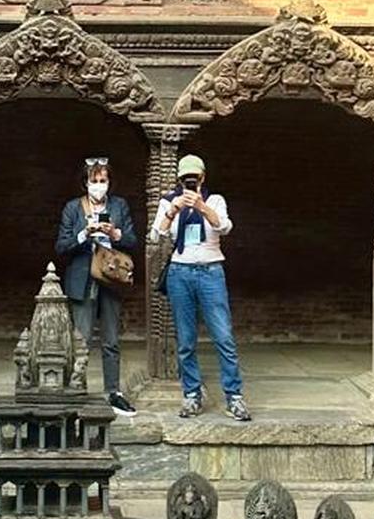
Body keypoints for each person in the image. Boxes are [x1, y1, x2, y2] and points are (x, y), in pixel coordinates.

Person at [150, 153, 250, 422]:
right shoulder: (168, 201)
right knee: (185, 339)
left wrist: (202, 206)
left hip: (210, 272)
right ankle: (191, 394)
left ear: (203, 177)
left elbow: (225, 226)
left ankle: (234, 396)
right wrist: (174, 210)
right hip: (180, 273)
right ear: (179, 180)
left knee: (223, 336)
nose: (189, 183)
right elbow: (155, 235)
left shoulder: (215, 200)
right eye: (185, 179)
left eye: (194, 178)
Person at [55, 158, 138, 416]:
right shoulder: (73, 208)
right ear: (86, 182)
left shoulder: (119, 205)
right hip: (83, 277)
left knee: (111, 339)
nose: (99, 186)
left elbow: (133, 240)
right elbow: (61, 246)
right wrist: (84, 234)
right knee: (81, 339)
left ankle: (113, 392)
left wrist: (116, 235)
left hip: (111, 278)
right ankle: (76, 390)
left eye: (103, 181)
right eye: (95, 181)